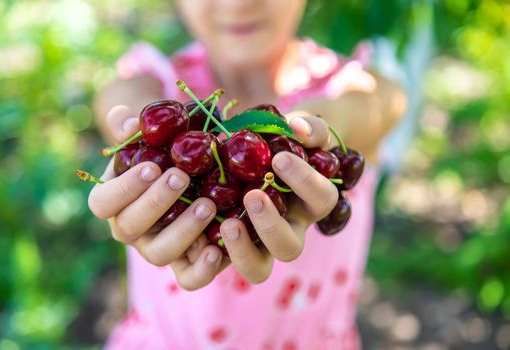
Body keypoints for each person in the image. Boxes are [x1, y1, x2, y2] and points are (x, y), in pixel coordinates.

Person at [88, 0, 407, 348]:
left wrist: (308, 133)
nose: (237, 4)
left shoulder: (354, 87)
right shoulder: (156, 83)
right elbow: (120, 101)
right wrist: (139, 136)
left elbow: (366, 108)